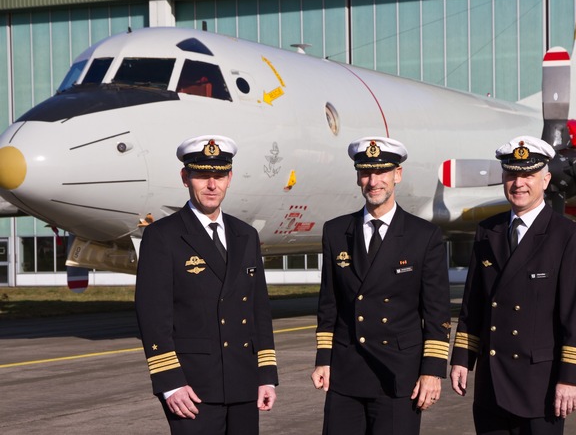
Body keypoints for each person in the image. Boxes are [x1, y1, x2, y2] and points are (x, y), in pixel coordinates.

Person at [449, 136, 576, 435]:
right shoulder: (488, 231)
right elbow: (473, 304)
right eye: (511, 175)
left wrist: (570, 378)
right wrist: (462, 359)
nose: (518, 183)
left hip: (539, 385)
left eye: (528, 175)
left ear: (546, 180)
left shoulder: (568, 237)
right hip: (491, 385)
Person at [135, 135, 278, 435]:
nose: (212, 185)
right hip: (192, 389)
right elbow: (153, 316)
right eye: (202, 176)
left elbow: (259, 311)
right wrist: (170, 382)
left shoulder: (245, 234)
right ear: (185, 177)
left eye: (220, 176)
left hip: (244, 382)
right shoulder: (163, 236)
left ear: (230, 178)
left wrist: (266, 375)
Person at [311, 137, 452, 435]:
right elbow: (329, 304)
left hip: (398, 374)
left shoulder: (424, 235)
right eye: (365, 172)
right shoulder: (336, 231)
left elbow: (437, 313)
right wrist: (324, 359)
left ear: (397, 175)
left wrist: (432, 371)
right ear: (358, 177)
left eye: (382, 172)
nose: (373, 181)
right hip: (346, 372)